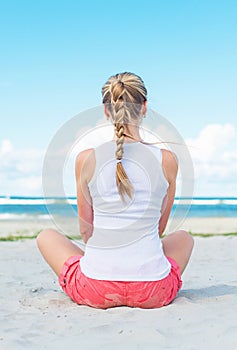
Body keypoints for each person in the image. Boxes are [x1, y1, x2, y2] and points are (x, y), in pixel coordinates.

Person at [37, 72, 194, 309]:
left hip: (96, 288)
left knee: (45, 236)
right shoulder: (167, 160)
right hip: (153, 292)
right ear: (144, 107)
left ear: (106, 110)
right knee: (185, 239)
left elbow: (85, 230)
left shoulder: (86, 158)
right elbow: (158, 229)